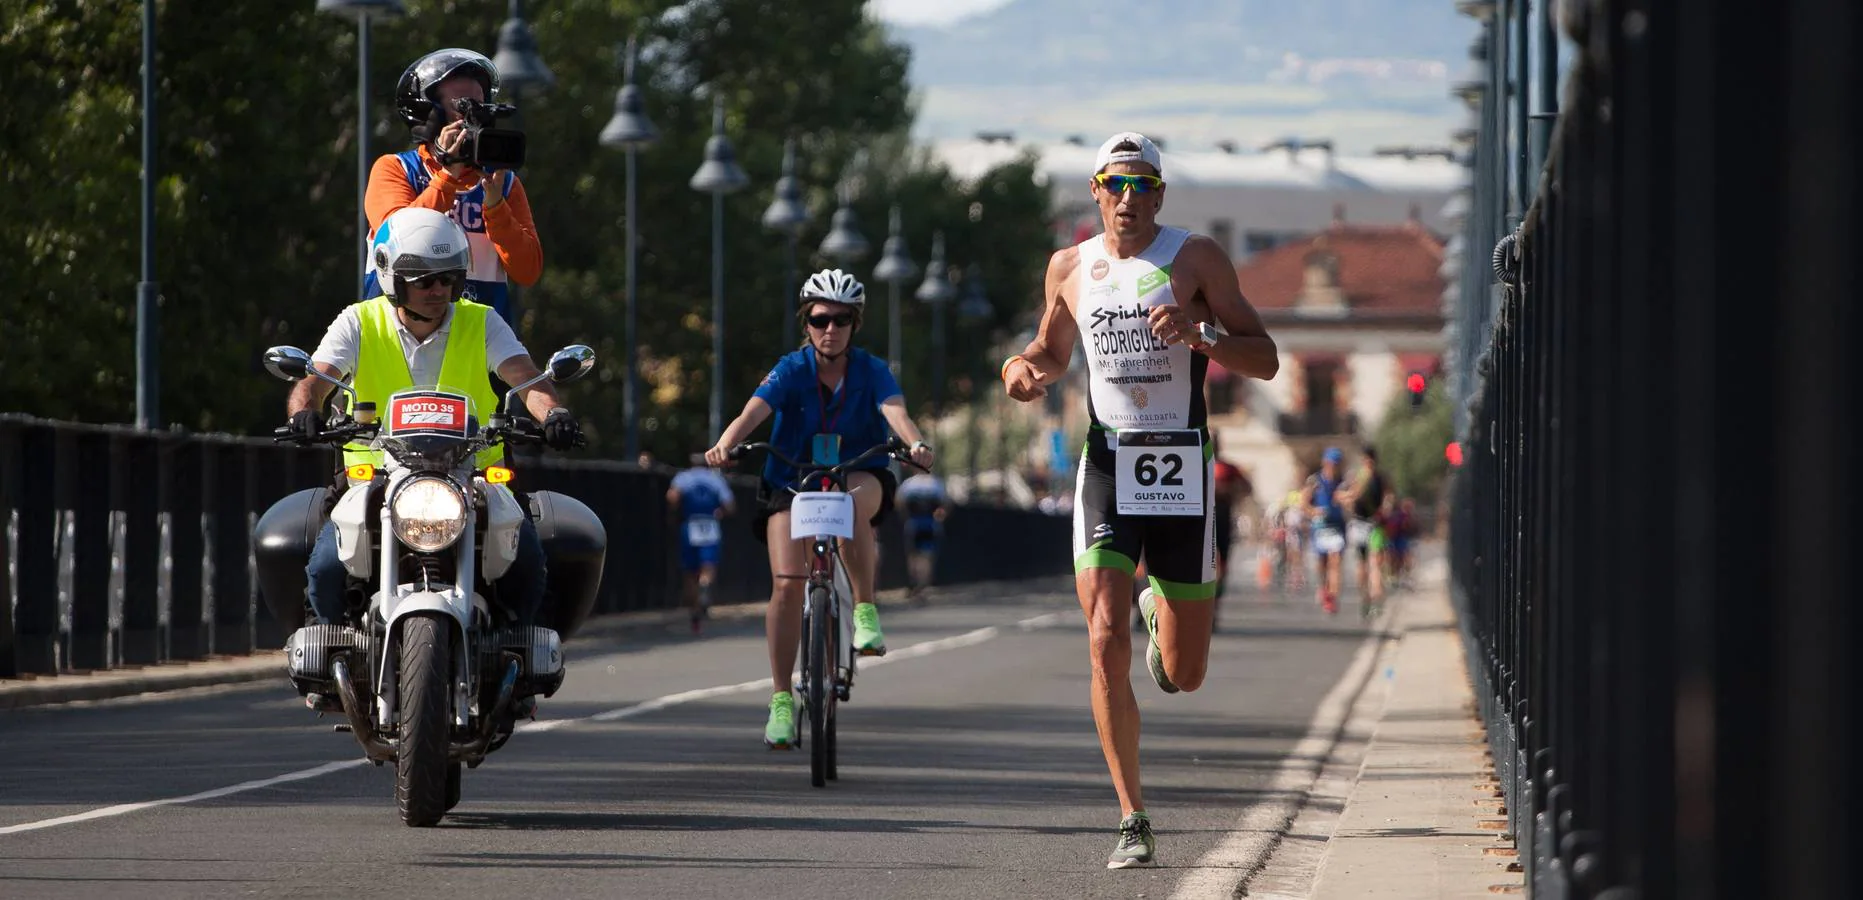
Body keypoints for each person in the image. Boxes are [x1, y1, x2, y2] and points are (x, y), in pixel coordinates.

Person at [1000, 132, 1278, 868]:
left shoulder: (1195, 258)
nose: (1128, 198)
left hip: (1182, 460)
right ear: (1094, 191)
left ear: (1160, 195)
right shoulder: (1070, 266)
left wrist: (1202, 334)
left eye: (1142, 185)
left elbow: (1267, 357)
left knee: (1184, 675)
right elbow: (1050, 352)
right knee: (1100, 636)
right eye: (1114, 184)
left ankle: (1161, 608)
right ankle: (1131, 816)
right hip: (1107, 459)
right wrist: (1021, 370)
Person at [289, 207, 582, 705]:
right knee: (325, 567)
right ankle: (335, 658)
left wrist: (551, 413)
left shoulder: (482, 321)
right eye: (424, 279)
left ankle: (515, 662)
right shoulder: (359, 321)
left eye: (449, 277)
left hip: (473, 475)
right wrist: (304, 413)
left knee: (527, 557)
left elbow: (527, 378)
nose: (439, 288)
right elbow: (311, 383)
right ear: (391, 277)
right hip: (375, 474)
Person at [703, 269, 936, 750]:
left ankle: (866, 609)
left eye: (841, 319)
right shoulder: (790, 368)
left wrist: (915, 444)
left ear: (856, 324)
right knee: (787, 586)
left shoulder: (871, 370)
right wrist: (724, 445)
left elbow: (896, 412)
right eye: (820, 318)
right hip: (790, 480)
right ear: (806, 321)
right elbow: (753, 412)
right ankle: (782, 700)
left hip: (858, 472)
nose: (830, 329)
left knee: (849, 503)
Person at [363, 48, 542, 326]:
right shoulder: (395, 169)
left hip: (476, 344)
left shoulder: (503, 184)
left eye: (480, 106)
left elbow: (528, 271)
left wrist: (495, 207)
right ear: (428, 113)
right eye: (462, 106)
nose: (474, 117)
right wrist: (448, 175)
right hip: (397, 339)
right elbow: (397, 242)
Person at [668, 454, 736, 633]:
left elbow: (672, 497)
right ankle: (705, 585)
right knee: (709, 564)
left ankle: (695, 606)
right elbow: (729, 505)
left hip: (690, 523)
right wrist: (720, 512)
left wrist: (677, 512)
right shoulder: (716, 480)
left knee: (690, 570)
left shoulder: (683, 478)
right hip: (710, 523)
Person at [1337, 444, 1390, 617]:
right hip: (1375, 524)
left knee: (1364, 563)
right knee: (1374, 563)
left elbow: (1349, 495)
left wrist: (1345, 500)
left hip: (1361, 524)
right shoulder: (1381, 478)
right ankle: (1375, 599)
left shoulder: (1359, 477)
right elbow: (1388, 500)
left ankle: (1367, 597)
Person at [1208, 434, 1251, 625]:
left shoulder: (1229, 468)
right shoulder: (1194, 461)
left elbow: (1247, 488)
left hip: (1223, 517)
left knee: (1222, 564)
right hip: (1201, 519)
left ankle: (1215, 604)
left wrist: (1229, 492)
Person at [1302, 448, 1350, 615]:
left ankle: (1332, 597)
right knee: (1322, 563)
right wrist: (1314, 511)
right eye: (1330, 463)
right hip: (1320, 527)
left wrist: (1346, 503)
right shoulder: (1315, 481)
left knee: (1336, 561)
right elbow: (1304, 504)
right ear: (1324, 463)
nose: (1332, 467)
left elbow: (1351, 501)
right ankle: (1323, 588)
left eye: (1336, 464)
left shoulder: (1343, 482)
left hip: (1337, 526)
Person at [895, 469, 950, 604]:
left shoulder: (909, 484)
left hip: (913, 523)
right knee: (927, 556)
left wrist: (905, 516)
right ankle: (922, 585)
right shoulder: (936, 483)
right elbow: (947, 503)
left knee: (913, 555)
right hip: (930, 524)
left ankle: (915, 583)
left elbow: (899, 502)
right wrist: (940, 515)